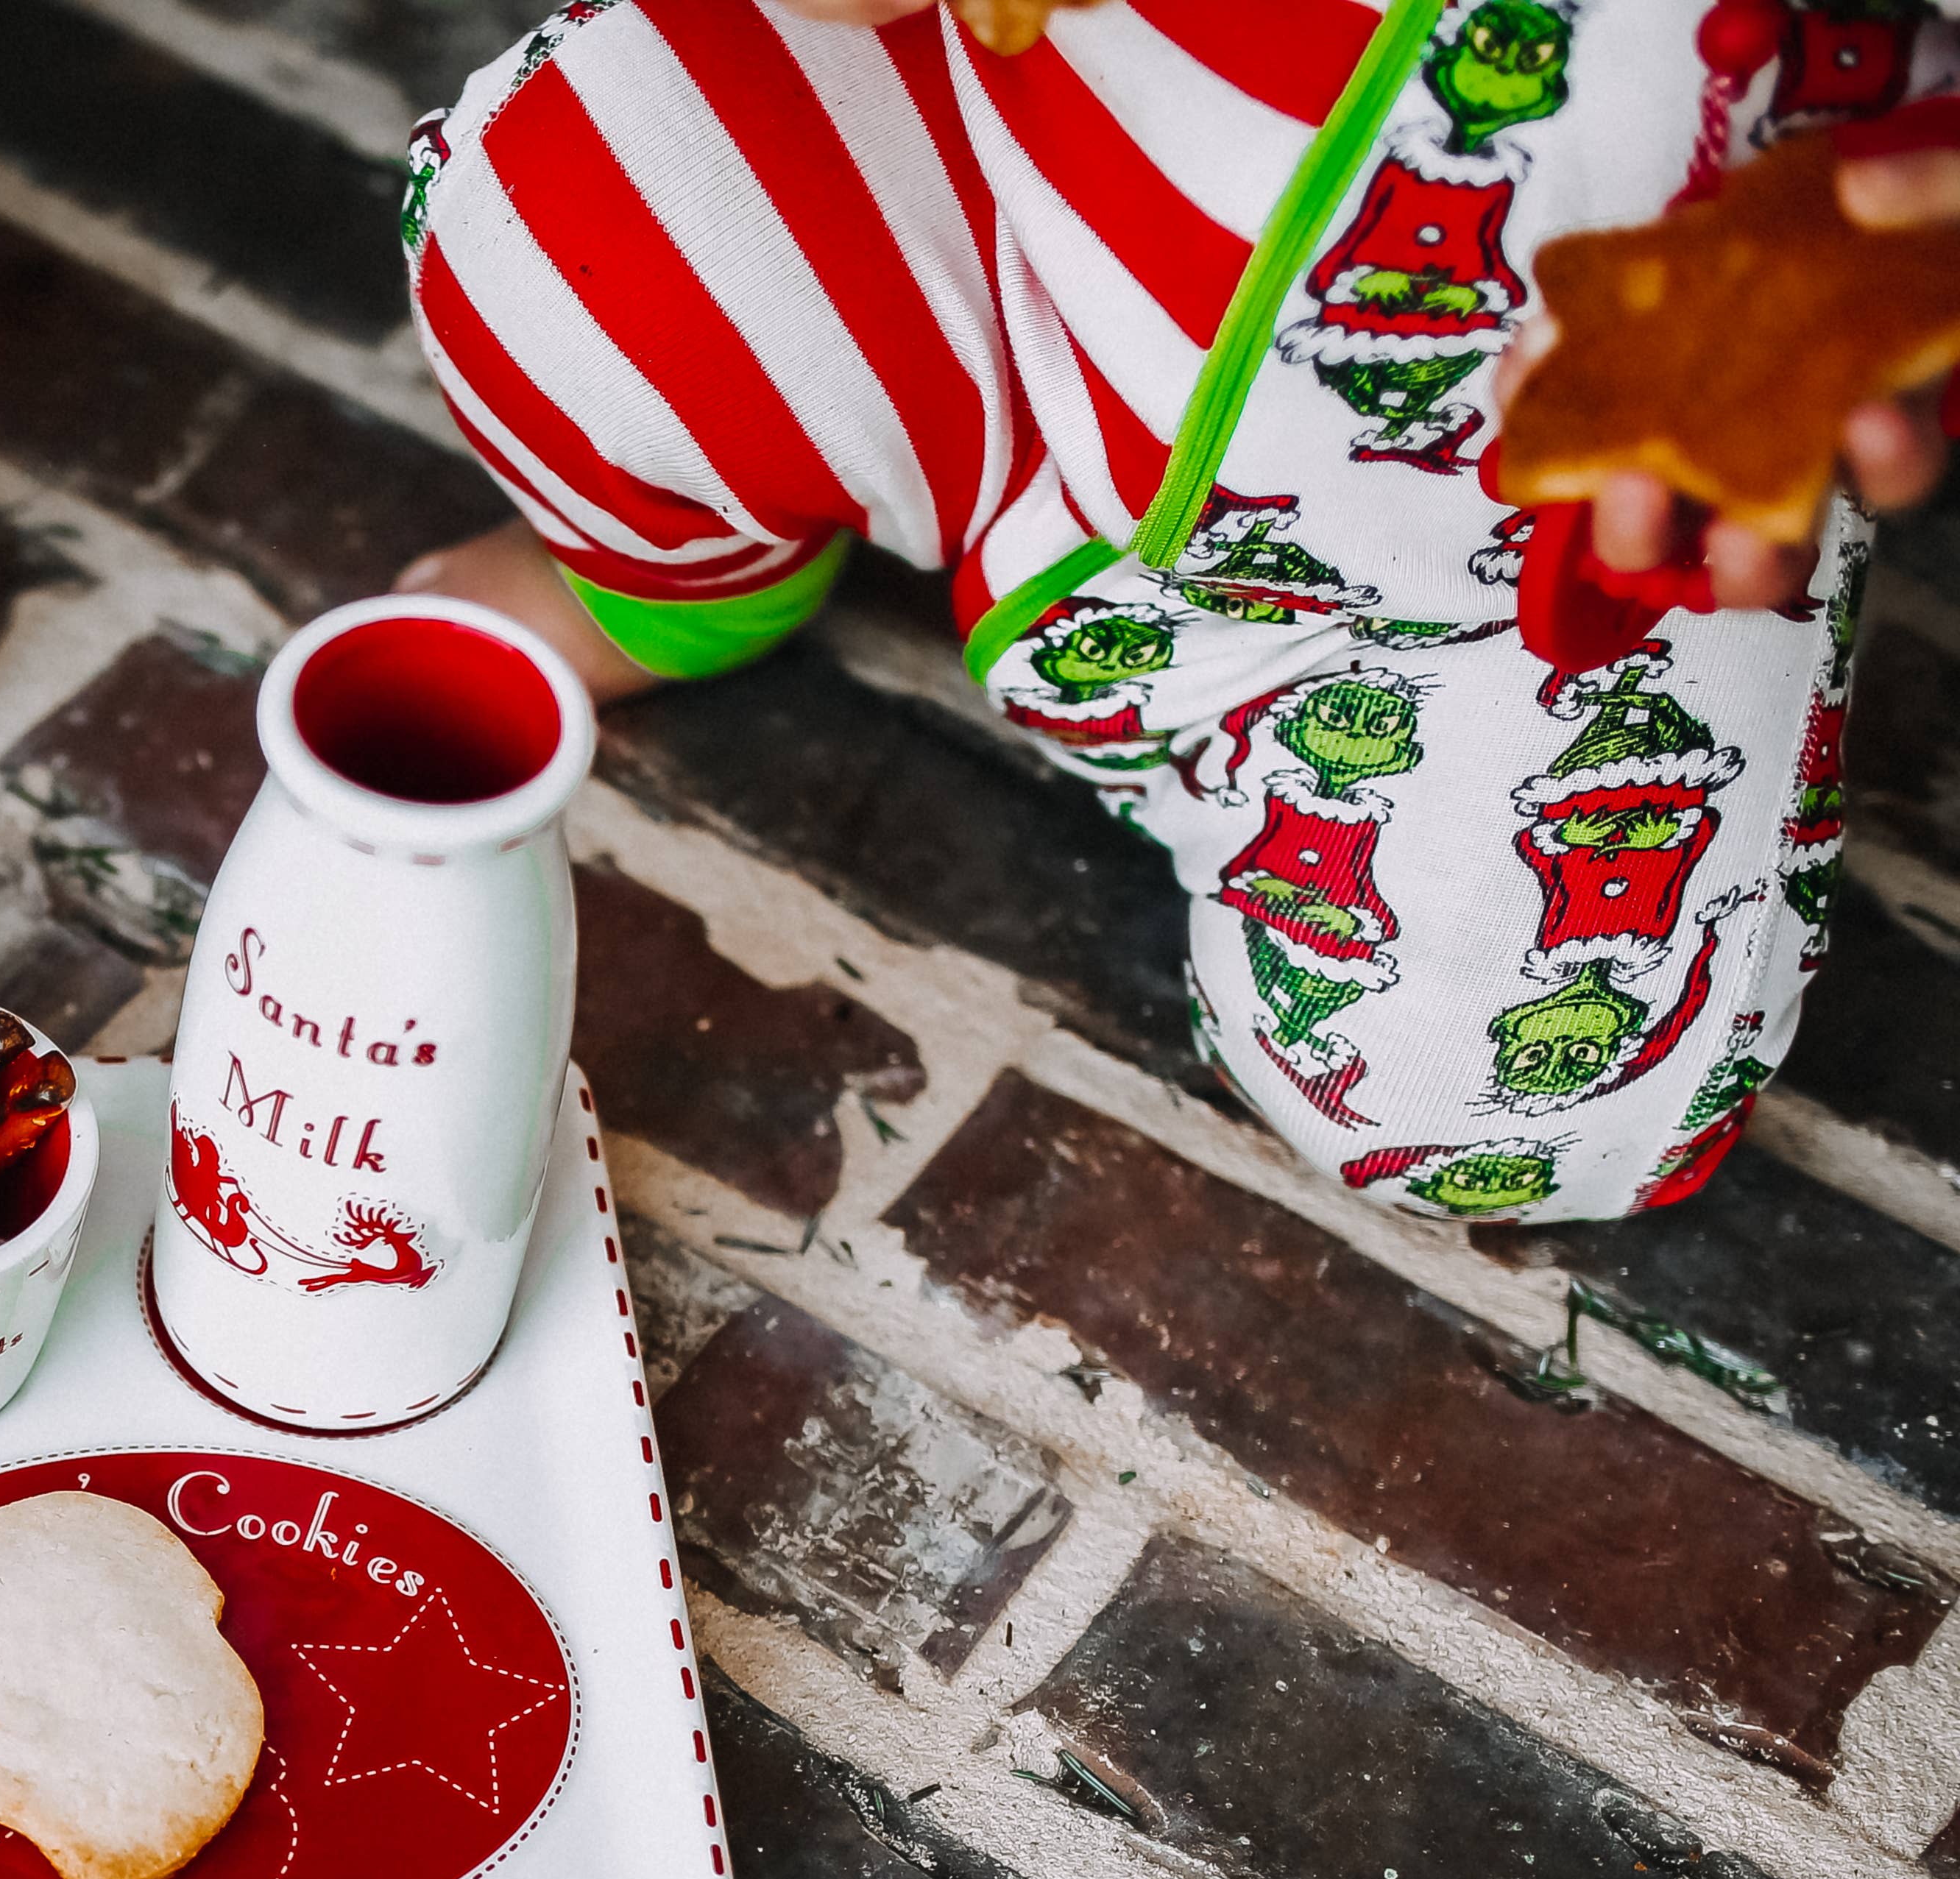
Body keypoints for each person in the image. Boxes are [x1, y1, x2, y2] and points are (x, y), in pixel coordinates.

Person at [392, 0, 1937, 1222]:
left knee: (1493, 1101)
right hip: (1023, 234)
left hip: (1524, 536)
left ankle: (1318, 771)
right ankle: (677, 582)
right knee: (559, 217)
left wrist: (1875, 251)